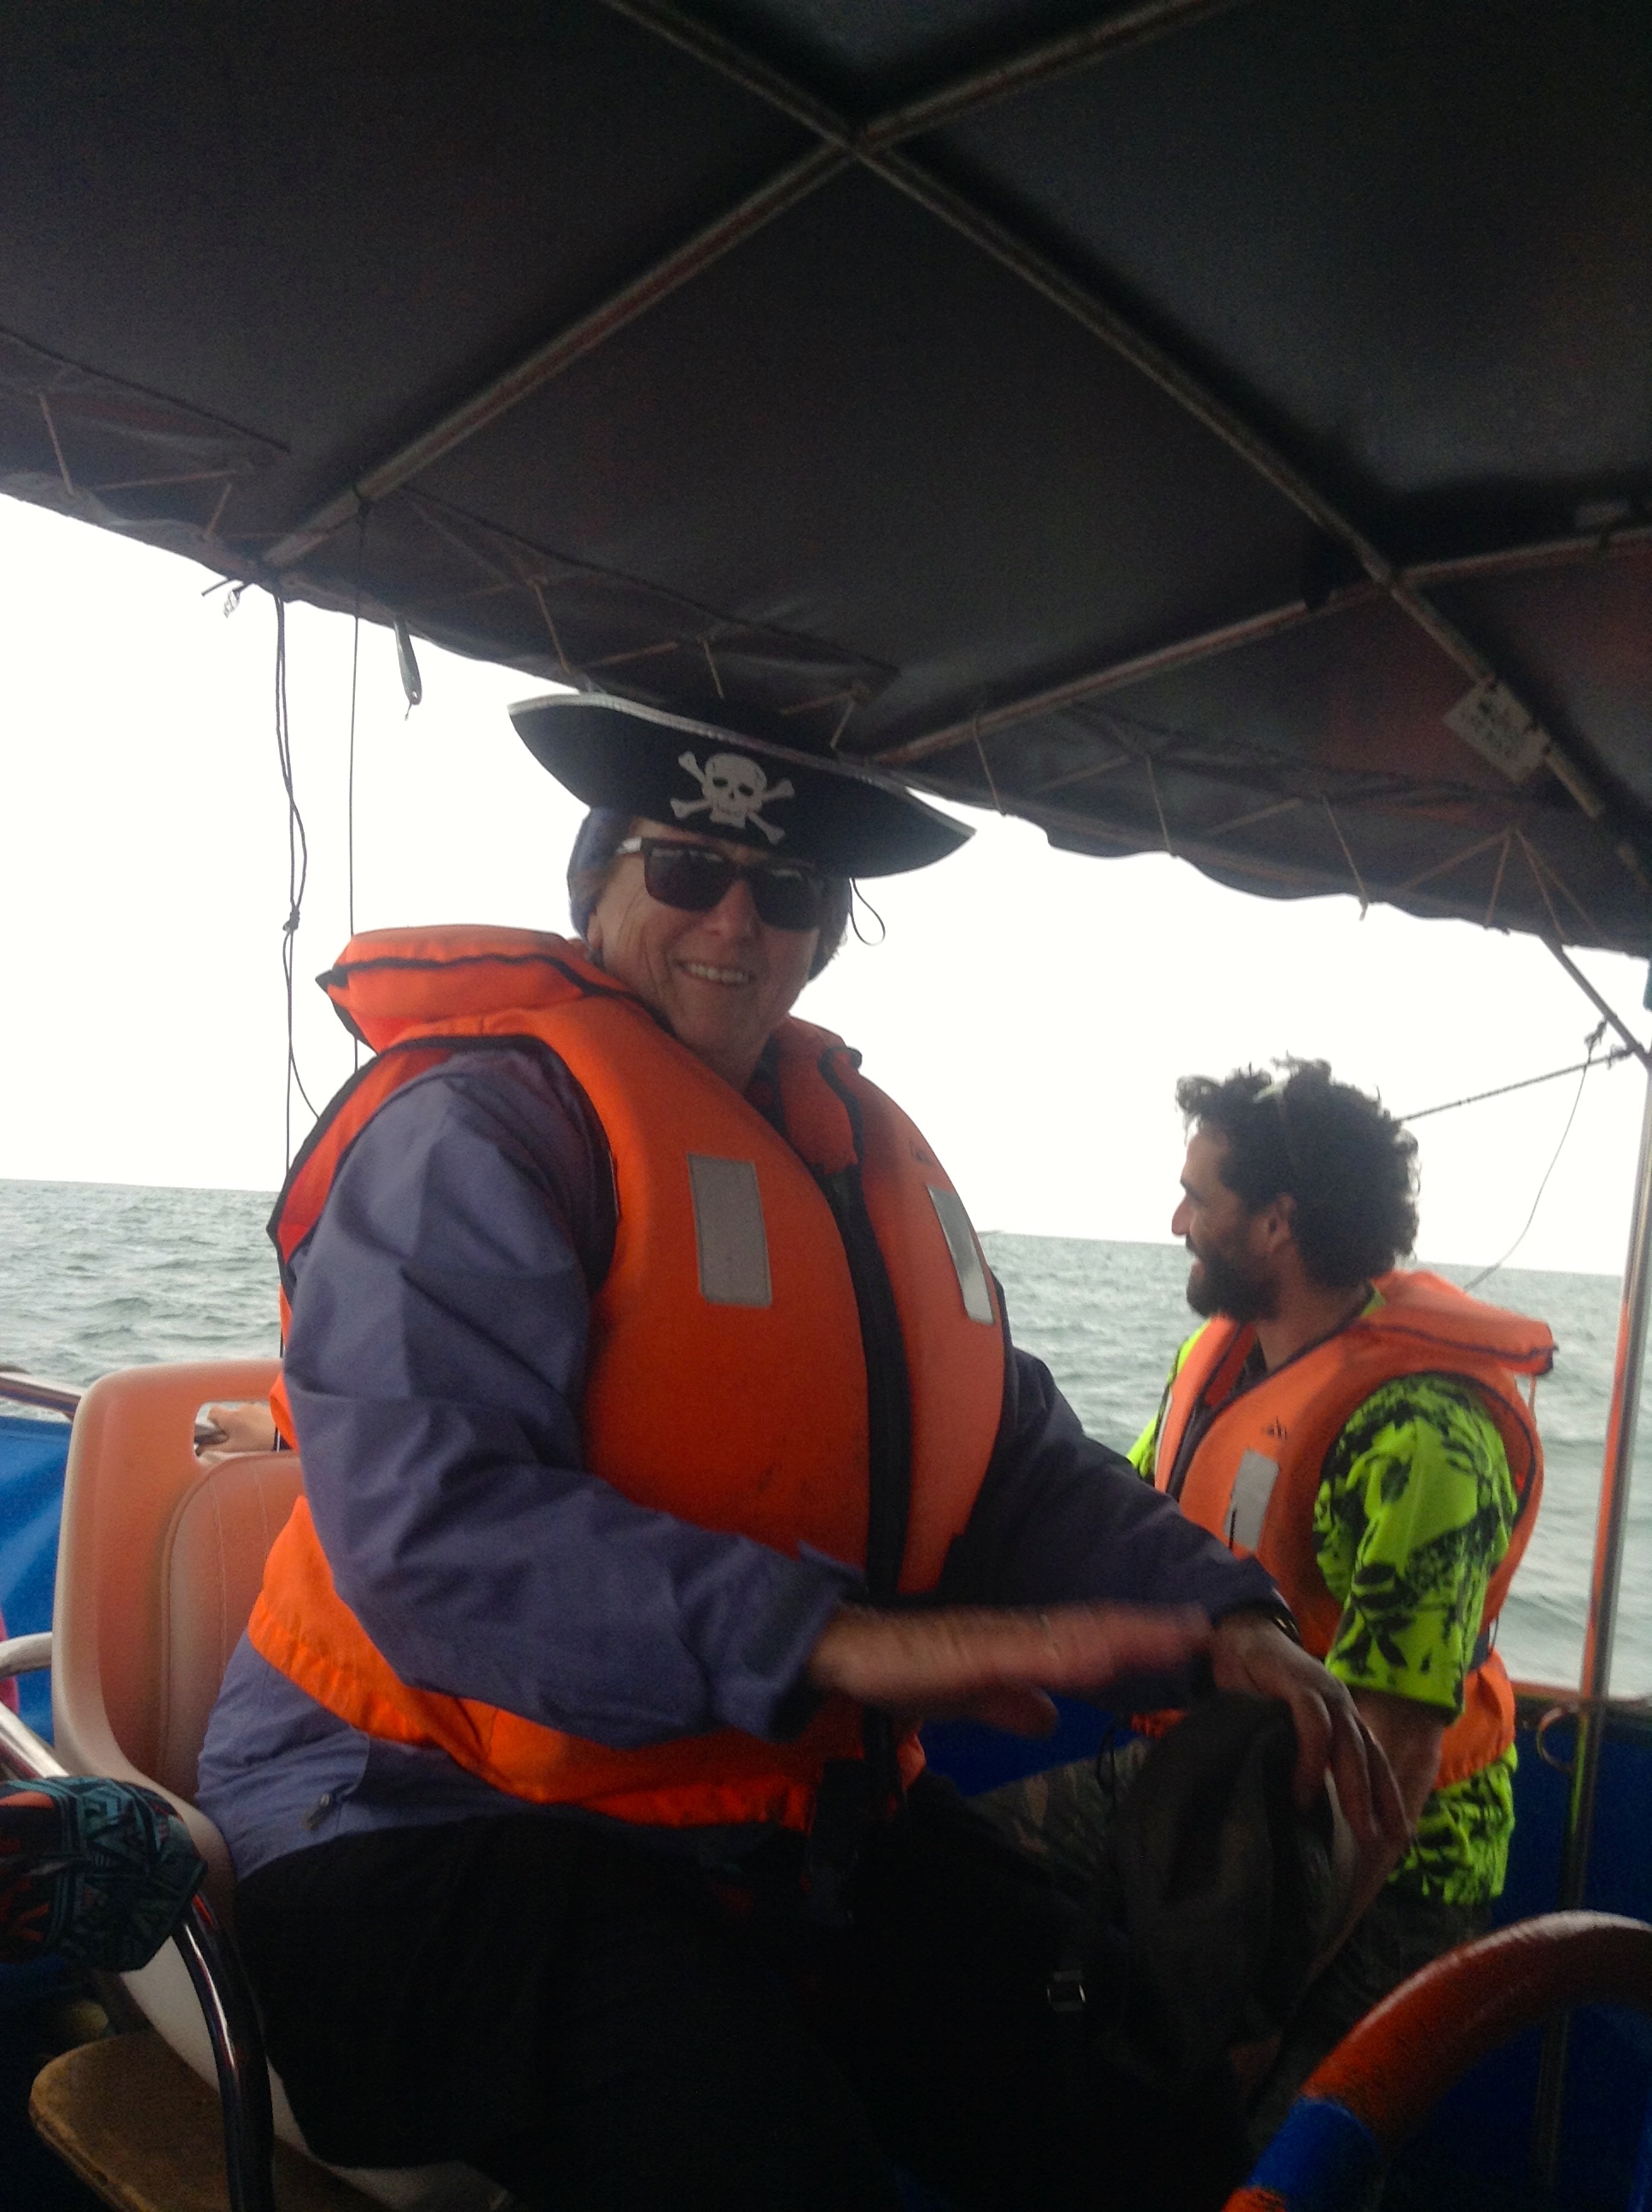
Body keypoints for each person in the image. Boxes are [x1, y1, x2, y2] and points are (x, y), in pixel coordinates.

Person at [197, 699, 1403, 2212]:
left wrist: (1227, 1615)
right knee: (778, 2165)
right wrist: (836, 1639)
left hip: (757, 1815)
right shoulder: (476, 1129)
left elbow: (1008, 1453)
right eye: (687, 867)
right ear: (596, 886)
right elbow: (433, 1532)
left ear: (827, 931)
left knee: (1134, 2105)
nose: (736, 921)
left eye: (786, 889)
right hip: (414, 1815)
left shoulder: (839, 1155)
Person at [982, 1062, 1551, 2147]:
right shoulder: (1232, 1359)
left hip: (1383, 1861)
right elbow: (1130, 1525)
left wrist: (1262, 1999)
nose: (1176, 1223)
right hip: (1219, 1780)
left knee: (1264, 2151)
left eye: (1197, 1198)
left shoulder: (1423, 1436)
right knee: (950, 1873)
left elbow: (1392, 1756)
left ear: (1277, 1223)